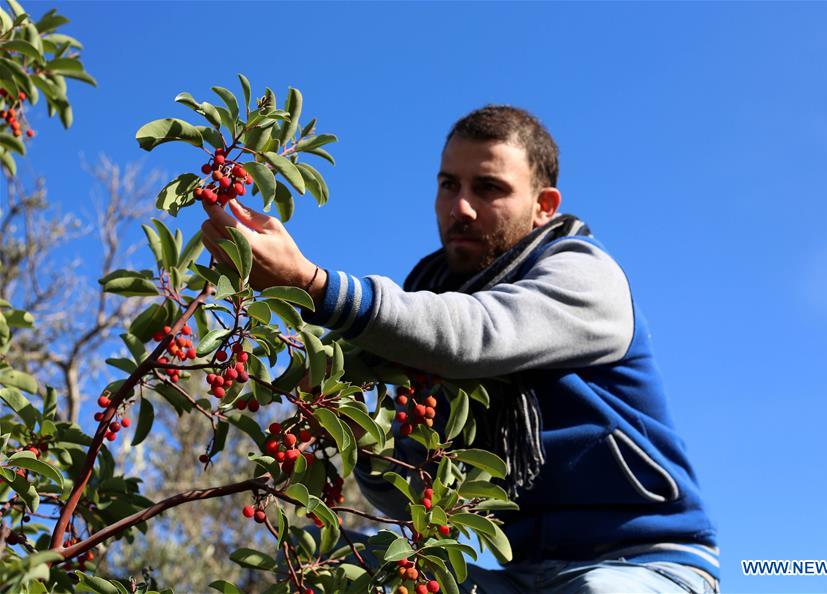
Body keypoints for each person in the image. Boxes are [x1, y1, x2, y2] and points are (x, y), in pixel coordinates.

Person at [201, 105, 719, 594]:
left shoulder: (584, 275)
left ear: (544, 206)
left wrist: (314, 286)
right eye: (449, 186)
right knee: (331, 563)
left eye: (489, 188)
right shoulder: (425, 313)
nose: (461, 207)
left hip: (642, 566)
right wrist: (350, 424)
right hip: (522, 576)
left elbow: (476, 335)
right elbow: (402, 496)